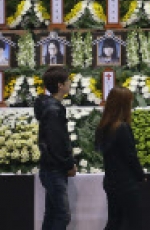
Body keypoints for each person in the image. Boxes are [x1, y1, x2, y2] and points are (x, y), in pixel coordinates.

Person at [95, 87, 145, 230]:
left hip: (111, 181)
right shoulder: (122, 128)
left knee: (114, 221)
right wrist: (141, 175)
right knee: (134, 222)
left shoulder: (103, 127)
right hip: (126, 183)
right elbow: (130, 156)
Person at [35, 66, 77, 230]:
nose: (70, 83)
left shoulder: (49, 107)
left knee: (52, 214)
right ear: (60, 85)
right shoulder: (53, 110)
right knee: (62, 215)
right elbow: (57, 143)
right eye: (68, 81)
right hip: (54, 168)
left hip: (50, 167)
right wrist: (69, 163)